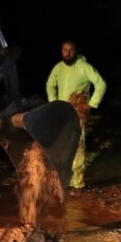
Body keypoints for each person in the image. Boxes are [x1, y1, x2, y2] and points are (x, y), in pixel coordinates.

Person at [45, 39, 107, 190]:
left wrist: (91, 104)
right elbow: (50, 85)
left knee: (77, 147)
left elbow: (101, 84)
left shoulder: (84, 67)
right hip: (61, 114)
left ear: (76, 51)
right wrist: (53, 103)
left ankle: (77, 184)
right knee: (61, 146)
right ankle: (63, 181)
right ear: (61, 51)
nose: (67, 53)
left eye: (71, 50)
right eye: (65, 50)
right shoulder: (58, 68)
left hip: (77, 114)